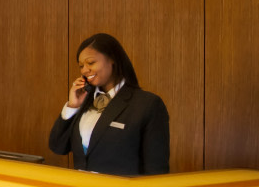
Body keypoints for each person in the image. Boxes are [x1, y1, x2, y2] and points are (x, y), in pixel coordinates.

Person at [48, 33, 169, 176]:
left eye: (91, 63)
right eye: (81, 66)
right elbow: (58, 146)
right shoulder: (84, 101)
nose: (85, 70)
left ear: (112, 58)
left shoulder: (147, 104)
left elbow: (156, 170)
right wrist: (73, 106)